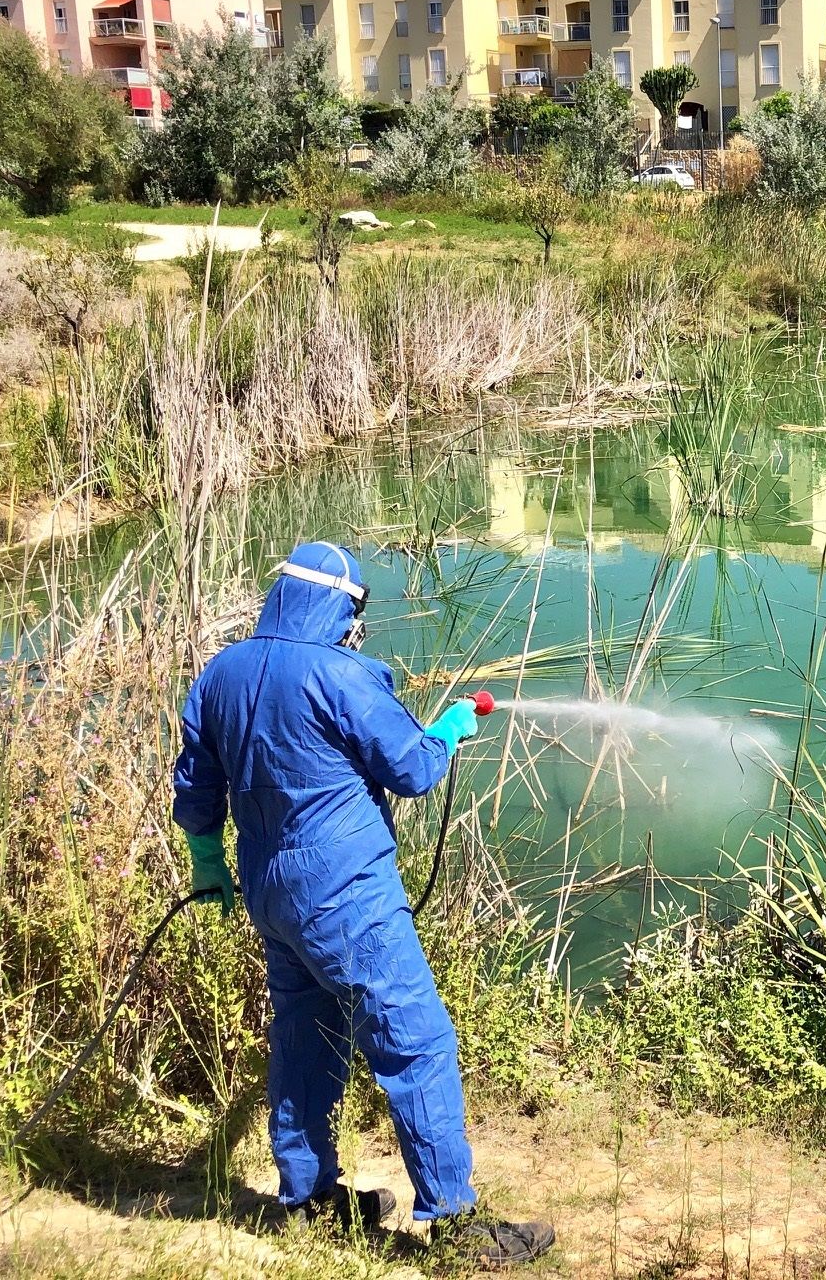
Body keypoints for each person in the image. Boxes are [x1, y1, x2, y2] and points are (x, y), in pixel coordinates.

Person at [172, 541, 552, 1266]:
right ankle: (458, 1225)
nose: (356, 628)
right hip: (346, 896)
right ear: (336, 606)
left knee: (305, 1038)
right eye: (354, 613)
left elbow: (196, 789)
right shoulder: (342, 677)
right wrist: (444, 732)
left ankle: (310, 1199)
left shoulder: (221, 673)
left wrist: (208, 861)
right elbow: (409, 769)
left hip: (269, 894)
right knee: (417, 1042)